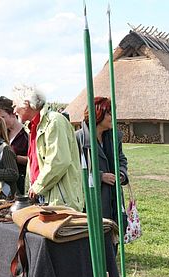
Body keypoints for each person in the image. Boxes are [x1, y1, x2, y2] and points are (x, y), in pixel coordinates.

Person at [12, 84, 83, 210]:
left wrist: (37, 186)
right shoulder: (33, 127)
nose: (14, 111)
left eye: (15, 105)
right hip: (44, 197)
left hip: (60, 202)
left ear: (26, 104)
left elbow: (58, 161)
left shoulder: (54, 121)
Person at [76, 96, 129, 227]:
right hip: (93, 200)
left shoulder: (114, 137)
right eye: (109, 113)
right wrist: (100, 176)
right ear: (98, 114)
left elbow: (121, 159)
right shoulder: (78, 138)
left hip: (114, 197)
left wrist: (121, 174)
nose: (113, 117)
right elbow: (75, 169)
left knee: (114, 237)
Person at [0, 96, 28, 194]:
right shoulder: (1, 135)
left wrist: (14, 158)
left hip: (21, 182)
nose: (0, 122)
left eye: (3, 117)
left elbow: (35, 160)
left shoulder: (26, 134)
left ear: (13, 114)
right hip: (1, 183)